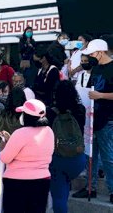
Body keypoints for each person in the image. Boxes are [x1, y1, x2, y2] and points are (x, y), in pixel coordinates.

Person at [72, 39, 113, 203]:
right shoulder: (95, 69)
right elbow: (89, 90)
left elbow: (98, 93)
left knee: (108, 156)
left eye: (91, 54)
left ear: (100, 52)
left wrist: (101, 96)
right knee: (90, 154)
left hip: (108, 120)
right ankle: (90, 187)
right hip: (92, 118)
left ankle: (111, 189)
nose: (89, 58)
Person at [0, 99, 54, 213]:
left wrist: (4, 145)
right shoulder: (49, 131)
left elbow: (5, 158)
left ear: (26, 116)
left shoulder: (20, 133)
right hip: (42, 181)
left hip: (16, 183)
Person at [45, 80, 86, 213]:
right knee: (65, 186)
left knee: (58, 198)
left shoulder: (50, 112)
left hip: (58, 158)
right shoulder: (80, 110)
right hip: (78, 159)